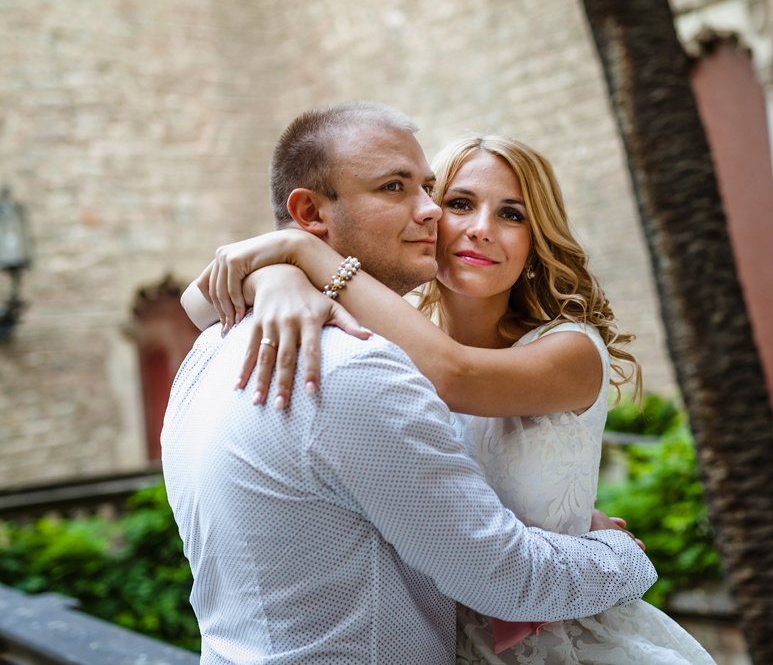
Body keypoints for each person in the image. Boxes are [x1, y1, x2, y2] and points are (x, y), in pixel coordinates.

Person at [185, 124, 717, 664]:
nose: (482, 229)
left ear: (536, 241)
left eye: (513, 214)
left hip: (560, 639)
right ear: (432, 218)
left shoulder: (571, 350)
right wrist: (275, 279)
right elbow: (197, 303)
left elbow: (456, 375)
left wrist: (306, 254)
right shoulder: (401, 334)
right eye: (460, 204)